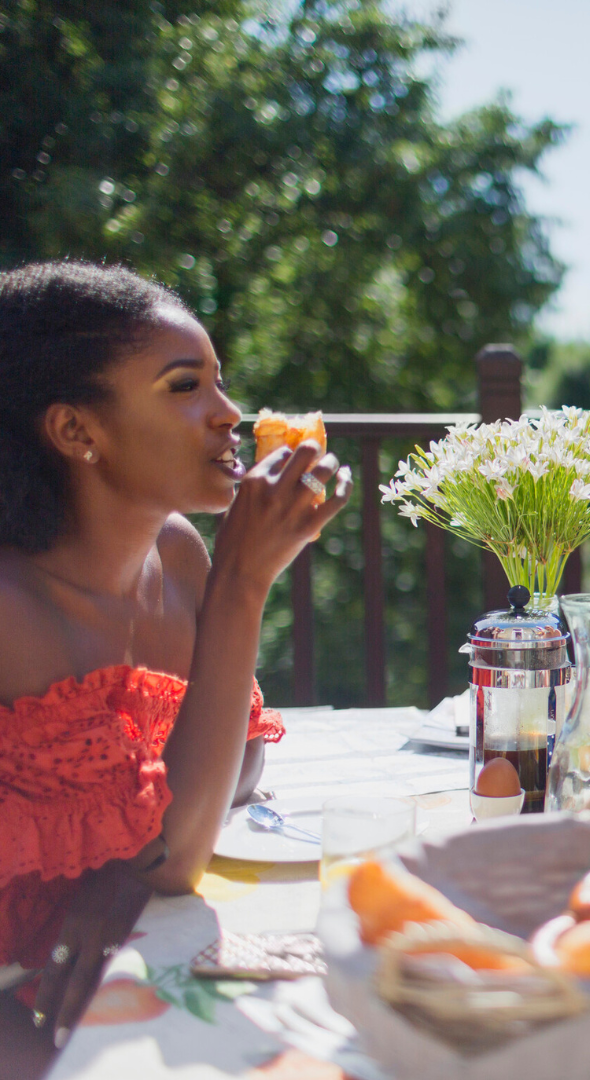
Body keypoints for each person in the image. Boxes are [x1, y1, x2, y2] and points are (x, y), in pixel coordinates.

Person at [0, 261, 352, 1068]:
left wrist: (134, 868)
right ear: (77, 433)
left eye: (220, 384)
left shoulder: (176, 554)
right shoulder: (13, 611)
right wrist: (244, 584)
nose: (229, 415)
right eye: (185, 386)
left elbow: (241, 762)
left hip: (122, 958)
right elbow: (180, 853)